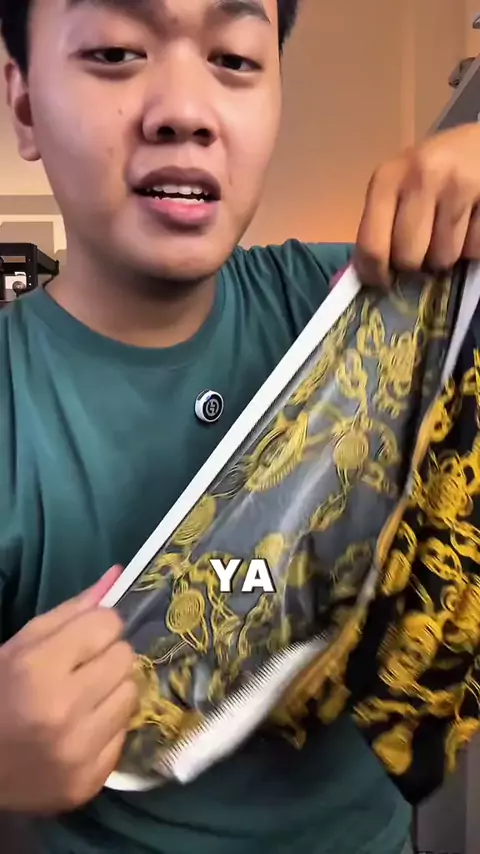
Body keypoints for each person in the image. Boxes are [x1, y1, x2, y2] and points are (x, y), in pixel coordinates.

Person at [0, 1, 480, 852]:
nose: (185, 110)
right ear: (26, 104)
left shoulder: (368, 313)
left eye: (233, 59)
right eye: (115, 51)